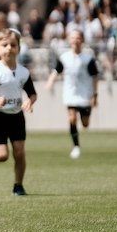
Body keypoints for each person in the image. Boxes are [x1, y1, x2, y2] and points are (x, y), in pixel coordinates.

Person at [0, 30, 37, 196]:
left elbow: (33, 94)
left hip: (17, 117)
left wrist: (28, 102)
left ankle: (18, 185)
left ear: (18, 48)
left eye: (13, 45)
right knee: (2, 156)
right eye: (4, 45)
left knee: (19, 152)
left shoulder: (24, 72)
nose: (9, 48)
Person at [43, 29, 99, 159]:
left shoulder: (88, 59)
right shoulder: (64, 57)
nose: (75, 40)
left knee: (85, 124)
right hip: (70, 94)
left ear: (82, 40)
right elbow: (56, 71)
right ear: (69, 40)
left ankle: (86, 117)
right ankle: (76, 147)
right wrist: (50, 82)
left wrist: (95, 95)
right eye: (72, 38)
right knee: (72, 118)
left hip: (85, 95)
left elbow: (95, 77)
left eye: (78, 38)